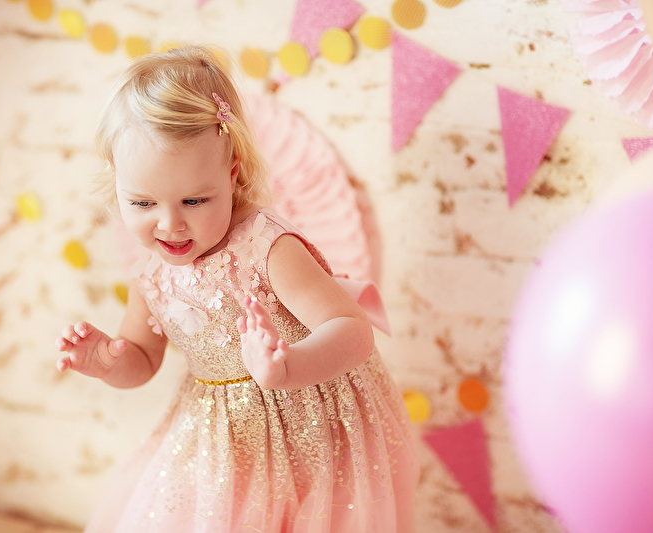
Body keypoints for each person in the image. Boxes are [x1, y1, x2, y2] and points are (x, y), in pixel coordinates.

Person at [55, 44, 418, 533]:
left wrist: (289, 366)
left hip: (316, 432)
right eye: (141, 203)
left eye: (194, 200)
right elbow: (141, 356)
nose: (170, 224)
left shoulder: (266, 247)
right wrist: (108, 362)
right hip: (225, 440)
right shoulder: (150, 271)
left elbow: (353, 331)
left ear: (231, 174)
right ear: (117, 183)